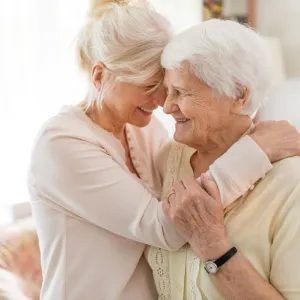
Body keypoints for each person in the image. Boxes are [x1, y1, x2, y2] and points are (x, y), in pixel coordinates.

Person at [27, 1, 300, 300]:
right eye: (149, 85)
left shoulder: (144, 129)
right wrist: (256, 150)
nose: (161, 102)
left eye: (170, 86)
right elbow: (167, 226)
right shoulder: (61, 145)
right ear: (99, 76)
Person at [146, 19, 300, 300]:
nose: (167, 107)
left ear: (237, 95)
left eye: (180, 92)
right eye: (167, 91)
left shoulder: (291, 184)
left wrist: (213, 245)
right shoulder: (165, 159)